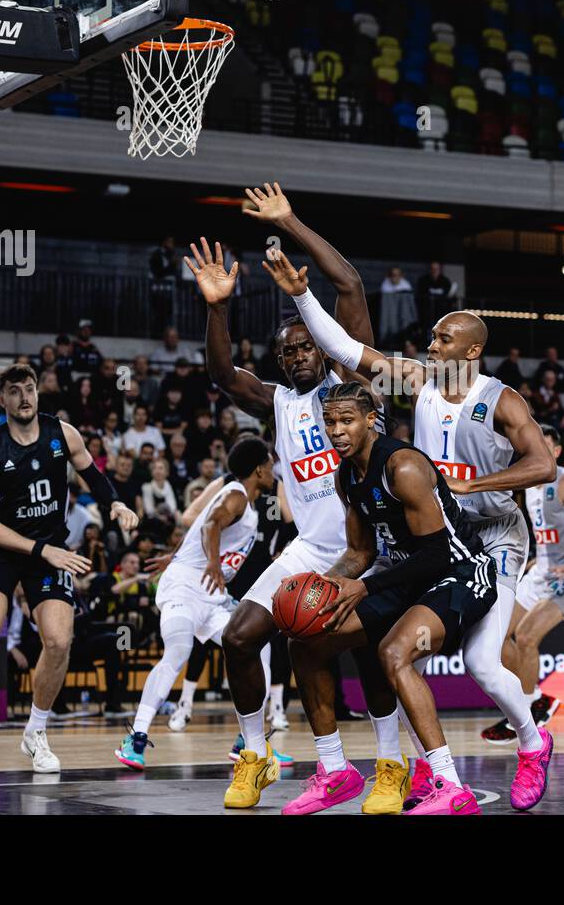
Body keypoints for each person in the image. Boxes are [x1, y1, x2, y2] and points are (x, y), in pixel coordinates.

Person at [262, 241, 557, 811]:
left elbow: (542, 464)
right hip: (422, 536)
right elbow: (347, 347)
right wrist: (301, 295)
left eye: (444, 338)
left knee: (479, 665)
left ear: (471, 349)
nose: (431, 344)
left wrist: (471, 486)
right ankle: (404, 770)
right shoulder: (418, 381)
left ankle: (531, 741)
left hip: (488, 539)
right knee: (374, 648)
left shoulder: (501, 399)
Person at [184, 181, 381, 810]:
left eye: (304, 346)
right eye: (286, 350)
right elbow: (220, 375)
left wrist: (291, 223)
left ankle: (397, 764)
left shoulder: (351, 379)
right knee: (240, 637)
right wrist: (218, 307)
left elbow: (349, 284)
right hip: (309, 548)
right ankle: (256, 757)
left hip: (369, 549)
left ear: (320, 346)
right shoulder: (280, 401)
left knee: (368, 655)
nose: (297, 355)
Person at [0, 364, 138, 777]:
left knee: (60, 640)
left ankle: (36, 732)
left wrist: (114, 503)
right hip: (3, 549)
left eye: (29, 389)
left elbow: (92, 475)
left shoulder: (63, 433)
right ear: (3, 400)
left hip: (50, 549)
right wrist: (43, 550)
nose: (24, 396)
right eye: (14, 391)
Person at [114, 438, 275, 769]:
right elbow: (212, 523)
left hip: (210, 595)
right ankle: (136, 738)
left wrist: (176, 556)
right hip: (185, 588)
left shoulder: (244, 500)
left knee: (254, 646)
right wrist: (211, 563)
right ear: (259, 469)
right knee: (178, 651)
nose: (274, 470)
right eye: (271, 464)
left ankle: (249, 742)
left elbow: (201, 529)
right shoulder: (235, 495)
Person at [482, 425, 564, 742]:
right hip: (543, 572)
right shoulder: (531, 484)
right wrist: (542, 559)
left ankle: (527, 712)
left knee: (525, 637)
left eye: (546, 446)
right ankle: (536, 699)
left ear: (557, 452)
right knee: (495, 638)